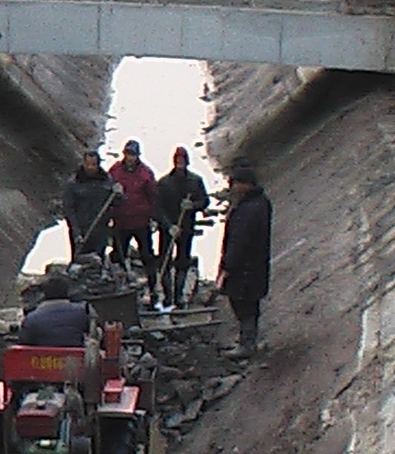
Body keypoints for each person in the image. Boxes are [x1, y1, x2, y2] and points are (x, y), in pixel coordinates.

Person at [217, 165, 272, 356]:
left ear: (245, 185)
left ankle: (246, 344)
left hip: (244, 268)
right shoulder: (261, 202)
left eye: (235, 183)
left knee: (242, 304)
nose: (232, 187)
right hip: (256, 265)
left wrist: (227, 267)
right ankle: (248, 340)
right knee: (251, 304)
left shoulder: (248, 209)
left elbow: (238, 241)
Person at [152, 146, 210, 309]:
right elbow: (157, 207)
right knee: (164, 260)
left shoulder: (195, 181)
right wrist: (168, 225)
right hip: (167, 228)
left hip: (186, 227)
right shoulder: (163, 183)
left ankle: (179, 296)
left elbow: (205, 201)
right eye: (177, 161)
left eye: (182, 160)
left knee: (183, 261)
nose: (180, 164)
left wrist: (193, 205)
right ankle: (167, 296)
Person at [107, 140, 161, 303]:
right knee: (118, 256)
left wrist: (154, 218)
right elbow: (105, 190)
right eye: (128, 154)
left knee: (147, 256)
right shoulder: (115, 170)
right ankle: (120, 288)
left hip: (141, 222)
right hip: (120, 221)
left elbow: (153, 196)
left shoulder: (146, 173)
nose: (130, 158)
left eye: (133, 155)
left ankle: (153, 291)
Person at [59, 150, 117, 261]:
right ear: (83, 163)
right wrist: (76, 232)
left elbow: (115, 202)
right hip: (81, 230)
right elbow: (69, 209)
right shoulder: (74, 183)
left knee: (98, 262)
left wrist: (118, 194)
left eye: (94, 165)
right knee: (79, 263)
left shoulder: (106, 180)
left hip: (100, 231)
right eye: (88, 164)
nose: (90, 167)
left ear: (98, 164)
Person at [17, 275, 89, 347]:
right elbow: (93, 333)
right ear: (67, 291)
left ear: (43, 294)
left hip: (42, 357)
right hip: (75, 356)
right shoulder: (82, 312)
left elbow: (24, 343)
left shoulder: (32, 318)